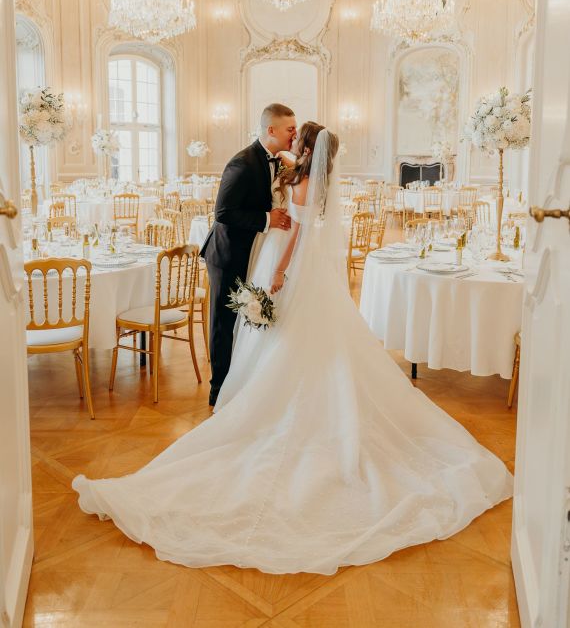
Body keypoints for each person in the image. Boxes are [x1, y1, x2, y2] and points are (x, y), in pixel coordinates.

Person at [73, 125, 512, 575]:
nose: (290, 145)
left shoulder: (302, 180)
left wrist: (279, 272)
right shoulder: (310, 176)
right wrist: (287, 165)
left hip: (289, 260)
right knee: (305, 340)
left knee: (284, 339)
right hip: (305, 266)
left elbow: (299, 234)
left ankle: (275, 401)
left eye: (296, 140)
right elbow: (290, 181)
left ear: (305, 148)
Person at [199, 102, 297, 406]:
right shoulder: (241, 163)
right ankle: (218, 391)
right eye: (289, 129)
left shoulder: (281, 161)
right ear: (271, 130)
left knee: (248, 318)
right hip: (228, 254)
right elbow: (223, 212)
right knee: (223, 323)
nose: (294, 135)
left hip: (256, 252)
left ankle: (241, 380)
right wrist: (268, 219)